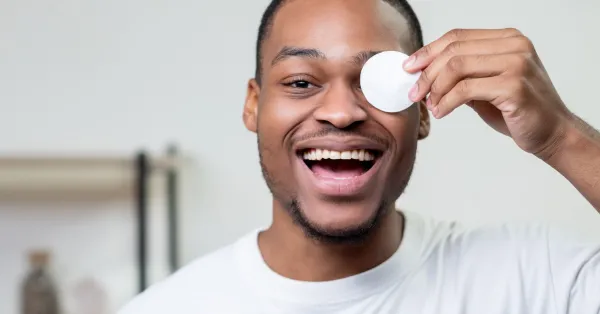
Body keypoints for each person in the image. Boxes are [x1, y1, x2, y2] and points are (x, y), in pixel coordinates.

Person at [119, 0, 600, 313]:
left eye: (376, 83)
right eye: (302, 82)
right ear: (253, 103)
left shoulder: (536, 280)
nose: (342, 113)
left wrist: (561, 137)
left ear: (425, 112)